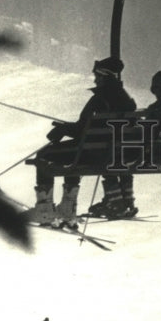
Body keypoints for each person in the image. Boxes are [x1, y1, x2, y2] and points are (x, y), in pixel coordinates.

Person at [27, 56, 137, 228]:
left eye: (96, 76)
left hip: (92, 153)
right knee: (72, 156)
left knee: (44, 155)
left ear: (103, 76)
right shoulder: (127, 100)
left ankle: (45, 210)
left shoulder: (100, 99)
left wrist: (62, 130)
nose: (95, 79)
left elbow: (81, 131)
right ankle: (67, 208)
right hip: (114, 153)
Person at [88, 70, 161, 218]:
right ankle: (127, 201)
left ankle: (117, 202)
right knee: (123, 156)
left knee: (111, 158)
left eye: (160, 89)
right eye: (156, 89)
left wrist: (135, 127)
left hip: (152, 151)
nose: (158, 92)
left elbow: (151, 131)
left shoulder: (159, 109)